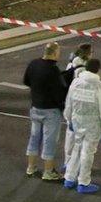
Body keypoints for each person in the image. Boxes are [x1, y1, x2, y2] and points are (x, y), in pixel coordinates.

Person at [63, 58, 101, 194]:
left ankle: (69, 177)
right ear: (98, 70)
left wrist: (68, 119)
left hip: (77, 120)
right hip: (93, 124)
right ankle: (83, 182)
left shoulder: (76, 82)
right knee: (88, 152)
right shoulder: (99, 86)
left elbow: (69, 102)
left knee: (76, 148)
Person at [23, 42, 68, 182]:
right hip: (50, 111)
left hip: (36, 108)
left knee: (34, 137)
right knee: (49, 141)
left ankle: (31, 167)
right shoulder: (53, 70)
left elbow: (26, 81)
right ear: (55, 53)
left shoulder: (33, 64)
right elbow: (60, 91)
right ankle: (48, 171)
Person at [61, 43, 93, 171]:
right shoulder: (83, 70)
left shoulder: (70, 65)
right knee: (81, 140)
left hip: (70, 104)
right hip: (80, 107)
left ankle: (67, 162)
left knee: (70, 137)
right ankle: (76, 167)